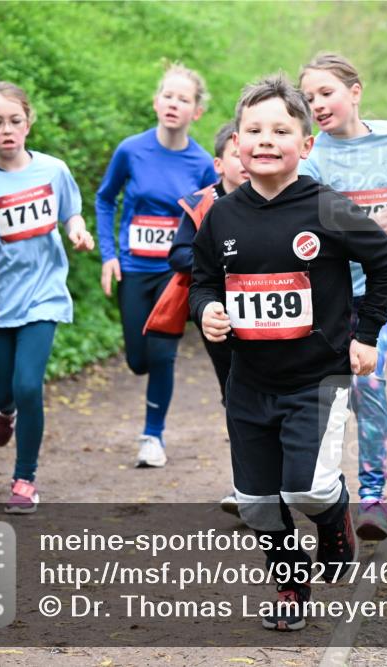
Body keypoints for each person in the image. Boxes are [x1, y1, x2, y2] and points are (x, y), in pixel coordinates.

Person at [189, 74, 387, 631]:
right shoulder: (223, 215)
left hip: (317, 377)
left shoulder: (326, 207)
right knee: (257, 501)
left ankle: (334, 520)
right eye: (253, 129)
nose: (265, 140)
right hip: (248, 380)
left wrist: (367, 335)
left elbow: (385, 263)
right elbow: (204, 278)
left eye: (281, 130)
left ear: (305, 146)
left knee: (306, 487)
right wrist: (205, 309)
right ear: (235, 143)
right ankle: (289, 581)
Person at [298, 52, 387, 542]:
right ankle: (323, 489)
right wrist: (358, 230)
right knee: (330, 389)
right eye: (309, 98)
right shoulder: (313, 161)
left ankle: (373, 495)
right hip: (336, 289)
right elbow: (306, 227)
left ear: (355, 92)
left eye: (326, 93)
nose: (317, 104)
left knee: (367, 378)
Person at [0, 81, 94, 513]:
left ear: (28, 122)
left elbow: (71, 211)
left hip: (44, 295)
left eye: (15, 121)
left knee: (27, 385)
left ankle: (25, 478)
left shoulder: (53, 170)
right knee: (2, 392)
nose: (7, 130)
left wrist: (77, 229)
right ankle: (3, 414)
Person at [96, 62, 216, 468]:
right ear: (155, 102)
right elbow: (105, 198)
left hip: (175, 274)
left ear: (195, 111)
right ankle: (151, 421)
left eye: (183, 99)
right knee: (138, 360)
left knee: (164, 355)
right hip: (134, 267)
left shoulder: (202, 163)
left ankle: (153, 435)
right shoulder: (131, 150)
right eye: (168, 96)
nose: (173, 104)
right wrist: (109, 255)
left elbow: (209, 215)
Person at [145, 119, 248, 517]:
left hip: (269, 317)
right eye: (234, 156)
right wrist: (222, 262)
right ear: (219, 164)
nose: (244, 161)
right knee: (235, 395)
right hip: (216, 313)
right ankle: (248, 486)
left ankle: (287, 481)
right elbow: (178, 255)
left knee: (271, 395)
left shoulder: (278, 200)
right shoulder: (201, 203)